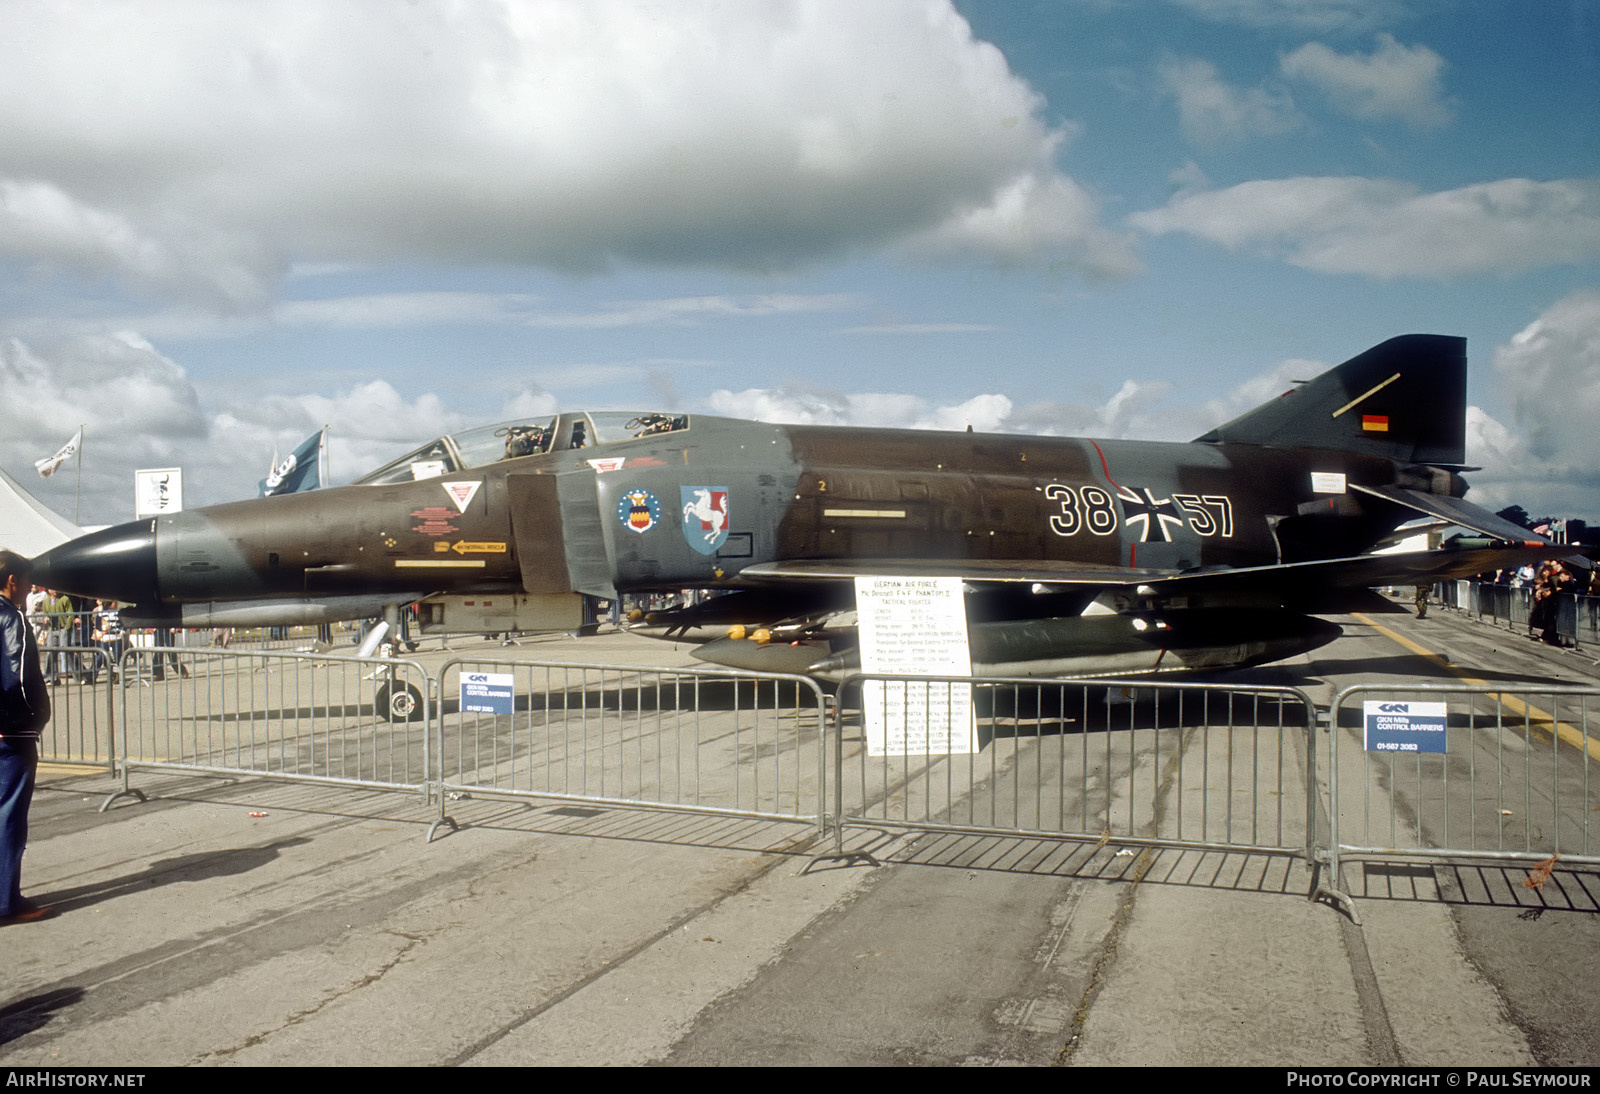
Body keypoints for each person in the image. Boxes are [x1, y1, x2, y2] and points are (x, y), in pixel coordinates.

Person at [0, 550, 52, 923]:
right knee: (10, 815)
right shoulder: (12, 618)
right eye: (28, 581)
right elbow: (17, 676)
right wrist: (32, 717)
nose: (30, 588)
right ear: (13, 581)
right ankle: (5, 901)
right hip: (10, 731)